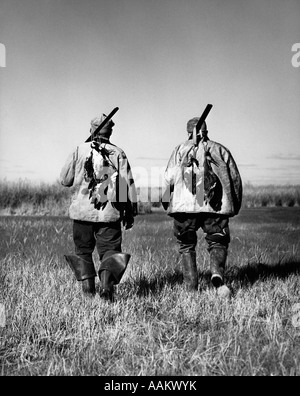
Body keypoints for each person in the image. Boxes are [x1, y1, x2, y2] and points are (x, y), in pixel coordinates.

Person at [162, 116, 242, 297]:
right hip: (215, 207)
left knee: (186, 245)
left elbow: (168, 178)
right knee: (218, 240)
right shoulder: (220, 149)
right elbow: (235, 179)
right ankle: (216, 273)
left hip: (184, 207)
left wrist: (166, 202)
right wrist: (234, 204)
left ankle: (191, 287)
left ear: (188, 131)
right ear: (206, 130)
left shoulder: (179, 150)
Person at [60, 113, 137, 301]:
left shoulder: (78, 150)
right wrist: (130, 211)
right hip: (109, 213)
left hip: (82, 213)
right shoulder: (118, 152)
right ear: (110, 131)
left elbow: (65, 180)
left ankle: (88, 294)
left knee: (83, 251)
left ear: (91, 129)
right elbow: (127, 185)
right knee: (110, 250)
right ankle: (106, 289)